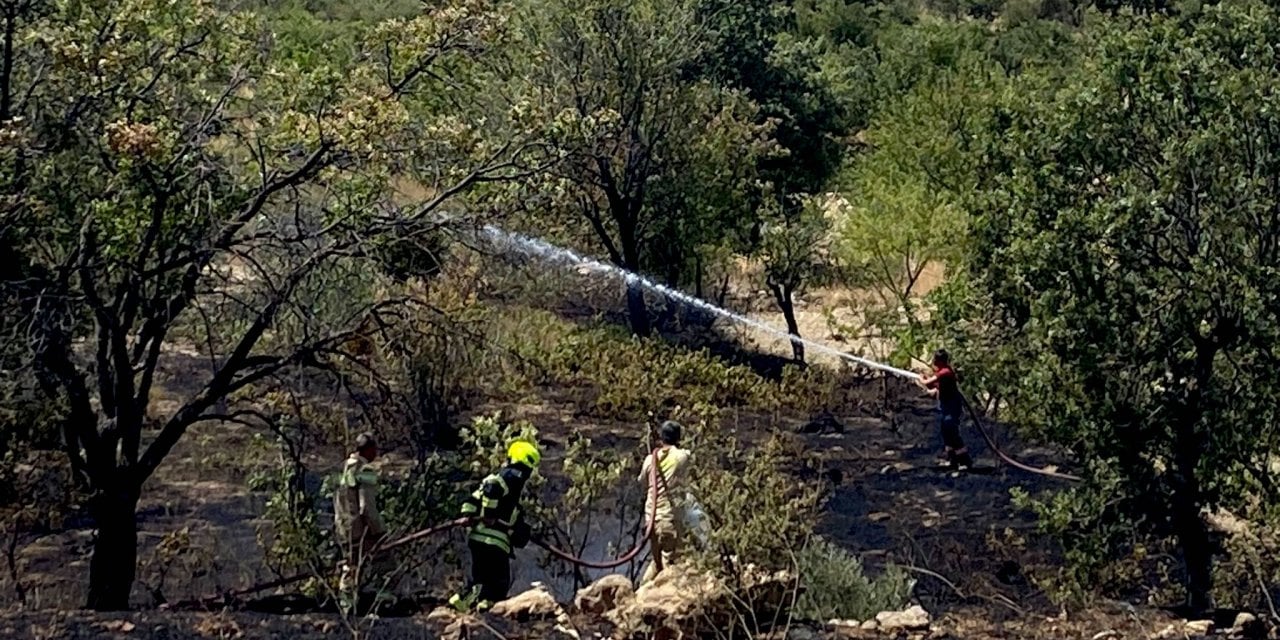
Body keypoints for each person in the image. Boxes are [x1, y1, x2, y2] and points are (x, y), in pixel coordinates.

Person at [449, 440, 540, 613]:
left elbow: (472, 501)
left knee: (481, 578)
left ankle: (468, 602)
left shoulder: (495, 482)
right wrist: (490, 515)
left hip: (478, 539)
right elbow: (493, 491)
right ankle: (483, 606)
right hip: (494, 542)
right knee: (499, 581)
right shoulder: (512, 476)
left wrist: (468, 515)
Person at [334, 432, 390, 611]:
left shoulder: (345, 469)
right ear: (368, 449)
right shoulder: (365, 470)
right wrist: (378, 530)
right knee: (385, 561)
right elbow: (366, 507)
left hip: (344, 527)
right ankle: (384, 602)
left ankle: (347, 606)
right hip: (360, 528)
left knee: (350, 566)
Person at [638, 420, 693, 585]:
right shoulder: (681, 456)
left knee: (656, 563)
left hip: (651, 521)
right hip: (670, 519)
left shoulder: (649, 460)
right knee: (670, 565)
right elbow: (688, 454)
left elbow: (642, 482)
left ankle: (640, 591)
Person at [916, 349, 972, 470]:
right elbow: (935, 386)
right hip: (945, 407)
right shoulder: (942, 373)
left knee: (952, 430)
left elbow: (926, 382)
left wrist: (921, 378)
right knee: (946, 431)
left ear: (940, 360)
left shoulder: (945, 372)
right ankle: (952, 459)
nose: (933, 361)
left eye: (935, 359)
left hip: (952, 407)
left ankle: (964, 460)